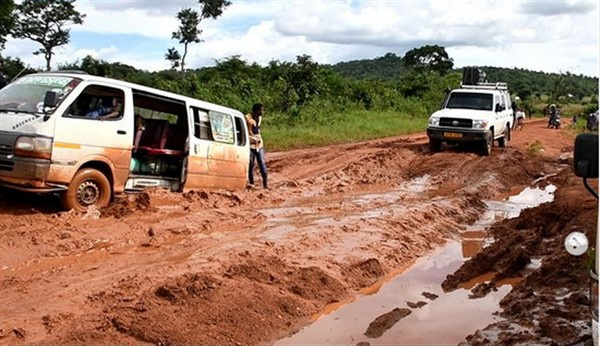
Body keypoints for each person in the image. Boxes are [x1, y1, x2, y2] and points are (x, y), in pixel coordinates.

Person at [246, 103, 268, 189]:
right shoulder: (247, 118)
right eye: (261, 110)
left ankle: (265, 185)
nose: (262, 112)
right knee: (250, 164)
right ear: (256, 110)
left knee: (262, 163)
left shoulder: (259, 118)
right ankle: (252, 183)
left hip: (259, 144)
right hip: (250, 144)